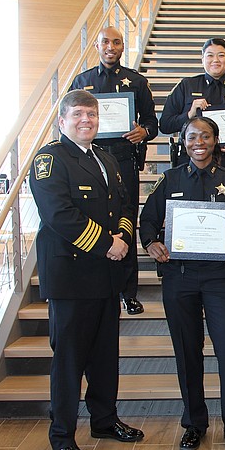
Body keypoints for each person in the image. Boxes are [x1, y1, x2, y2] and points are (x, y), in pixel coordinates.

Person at [30, 90, 144, 450]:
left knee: (103, 357)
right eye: (78, 114)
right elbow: (58, 214)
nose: (86, 121)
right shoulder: (50, 159)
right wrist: (106, 244)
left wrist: (124, 239)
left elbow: (126, 205)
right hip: (71, 276)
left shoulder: (106, 158)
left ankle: (104, 420)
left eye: (92, 115)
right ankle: (62, 437)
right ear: (61, 120)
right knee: (69, 362)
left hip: (105, 275)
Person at [139, 117, 225, 450]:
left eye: (205, 136)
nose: (199, 142)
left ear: (215, 140)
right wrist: (151, 243)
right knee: (187, 352)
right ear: (183, 141)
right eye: (192, 137)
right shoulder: (169, 180)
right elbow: (146, 221)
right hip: (179, 278)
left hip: (220, 279)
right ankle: (194, 424)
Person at [70, 26, 158, 315]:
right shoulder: (82, 81)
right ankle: (94, 286)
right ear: (96, 45)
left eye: (116, 42)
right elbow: (71, 121)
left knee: (125, 221)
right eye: (105, 41)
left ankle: (127, 292)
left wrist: (142, 132)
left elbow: (152, 124)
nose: (111, 46)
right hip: (86, 162)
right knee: (91, 220)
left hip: (122, 162)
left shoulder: (135, 80)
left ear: (123, 46)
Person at [159, 37, 225, 180]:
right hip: (192, 163)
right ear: (202, 59)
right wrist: (189, 114)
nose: (215, 60)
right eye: (210, 55)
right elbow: (165, 124)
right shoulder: (186, 86)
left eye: (221, 55)